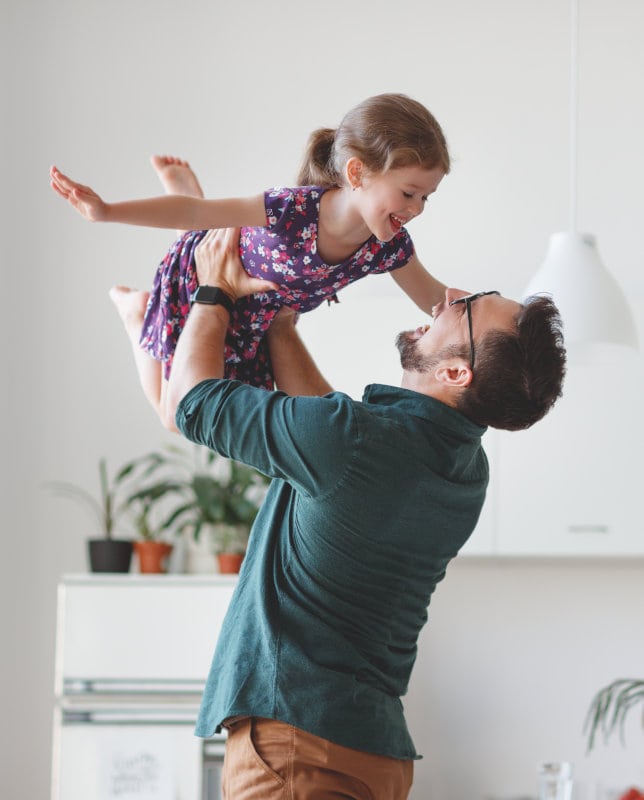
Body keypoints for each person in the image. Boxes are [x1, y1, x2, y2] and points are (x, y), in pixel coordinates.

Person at [164, 226, 566, 799]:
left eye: (468, 308)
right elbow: (330, 443)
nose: (450, 296)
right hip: (371, 755)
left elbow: (190, 401)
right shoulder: (463, 469)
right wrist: (280, 325)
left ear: (456, 372)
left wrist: (214, 291)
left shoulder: (353, 442)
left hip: (297, 751)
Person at [49, 93, 450, 430]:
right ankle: (136, 313)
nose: (417, 209)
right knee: (175, 418)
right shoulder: (292, 210)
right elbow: (192, 212)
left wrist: (505, 317)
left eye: (426, 198)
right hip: (201, 282)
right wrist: (105, 210)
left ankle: (192, 226)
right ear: (357, 172)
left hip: (253, 322)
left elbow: (437, 298)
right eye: (409, 193)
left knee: (207, 416)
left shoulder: (388, 247)